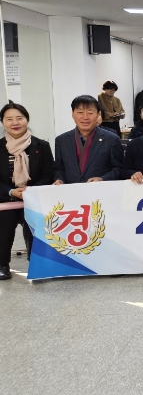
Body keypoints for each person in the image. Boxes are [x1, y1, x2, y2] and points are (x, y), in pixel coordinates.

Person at [0, 103, 54, 280]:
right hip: (6, 200)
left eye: (19, 118)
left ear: (27, 120)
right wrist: (11, 192)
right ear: (3, 123)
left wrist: (30, 190)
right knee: (4, 226)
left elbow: (48, 175)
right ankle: (2, 265)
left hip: (33, 198)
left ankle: (36, 264)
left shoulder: (42, 146)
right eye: (9, 119)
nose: (15, 123)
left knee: (34, 225)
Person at [54, 95, 124, 185]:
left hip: (100, 191)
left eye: (90, 113)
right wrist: (59, 179)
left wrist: (102, 179)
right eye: (80, 112)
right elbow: (58, 169)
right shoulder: (61, 140)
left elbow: (119, 169)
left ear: (98, 114)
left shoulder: (112, 139)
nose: (85, 117)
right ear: (72, 114)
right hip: (70, 191)